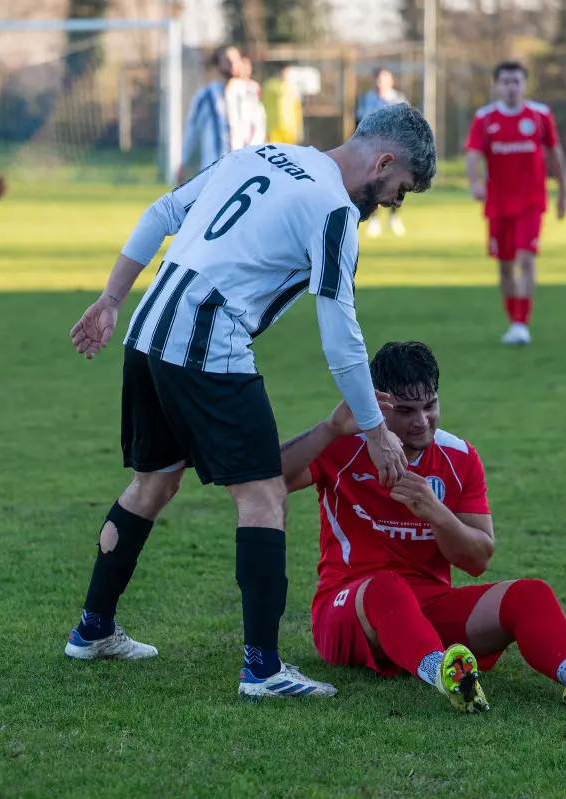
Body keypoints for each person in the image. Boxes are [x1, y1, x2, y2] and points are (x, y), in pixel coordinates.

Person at [63, 104, 438, 701]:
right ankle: (262, 669)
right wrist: (373, 428)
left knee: (153, 483)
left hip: (148, 327)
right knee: (263, 494)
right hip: (207, 342)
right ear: (384, 161)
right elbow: (342, 333)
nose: (393, 202)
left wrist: (112, 297)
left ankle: (93, 629)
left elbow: (162, 211)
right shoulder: (336, 209)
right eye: (400, 190)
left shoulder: (261, 152)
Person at [280, 340, 566, 712]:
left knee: (529, 594)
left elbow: (478, 558)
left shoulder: (459, 457)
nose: (421, 421)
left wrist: (437, 514)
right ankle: (443, 673)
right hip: (345, 608)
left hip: (425, 609)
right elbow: (264, 477)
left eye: (430, 405)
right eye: (404, 411)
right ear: (377, 405)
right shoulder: (342, 447)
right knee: (387, 586)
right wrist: (331, 428)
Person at [465, 62, 566, 347]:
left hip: (531, 201)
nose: (512, 87)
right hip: (498, 204)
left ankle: (522, 323)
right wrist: (474, 182)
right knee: (506, 267)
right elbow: (473, 152)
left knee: (526, 259)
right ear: (497, 85)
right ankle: (513, 322)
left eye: (517, 81)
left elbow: (554, 152)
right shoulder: (485, 118)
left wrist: (563, 192)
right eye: (506, 81)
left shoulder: (539, 115)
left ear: (525, 84)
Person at [356, 69, 409, 237]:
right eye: (378, 79)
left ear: (391, 81)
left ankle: (394, 217)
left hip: (393, 149)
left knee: (394, 183)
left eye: (384, 79)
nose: (381, 83)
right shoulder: (366, 100)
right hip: (372, 149)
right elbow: (359, 122)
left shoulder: (398, 99)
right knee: (373, 183)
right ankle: (374, 219)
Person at [179, 45, 243, 181]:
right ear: (218, 65)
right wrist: (183, 162)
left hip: (243, 168)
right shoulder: (206, 96)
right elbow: (191, 130)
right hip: (213, 169)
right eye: (227, 60)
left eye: (236, 59)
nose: (232, 64)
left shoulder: (248, 94)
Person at [226, 56, 267, 152]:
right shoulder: (234, 85)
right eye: (243, 67)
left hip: (253, 128)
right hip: (238, 129)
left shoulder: (254, 86)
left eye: (248, 68)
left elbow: (259, 110)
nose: (246, 70)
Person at [262, 62, 304, 146]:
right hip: (273, 127)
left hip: (290, 128)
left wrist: (299, 130)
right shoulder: (270, 85)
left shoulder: (292, 88)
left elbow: (297, 109)